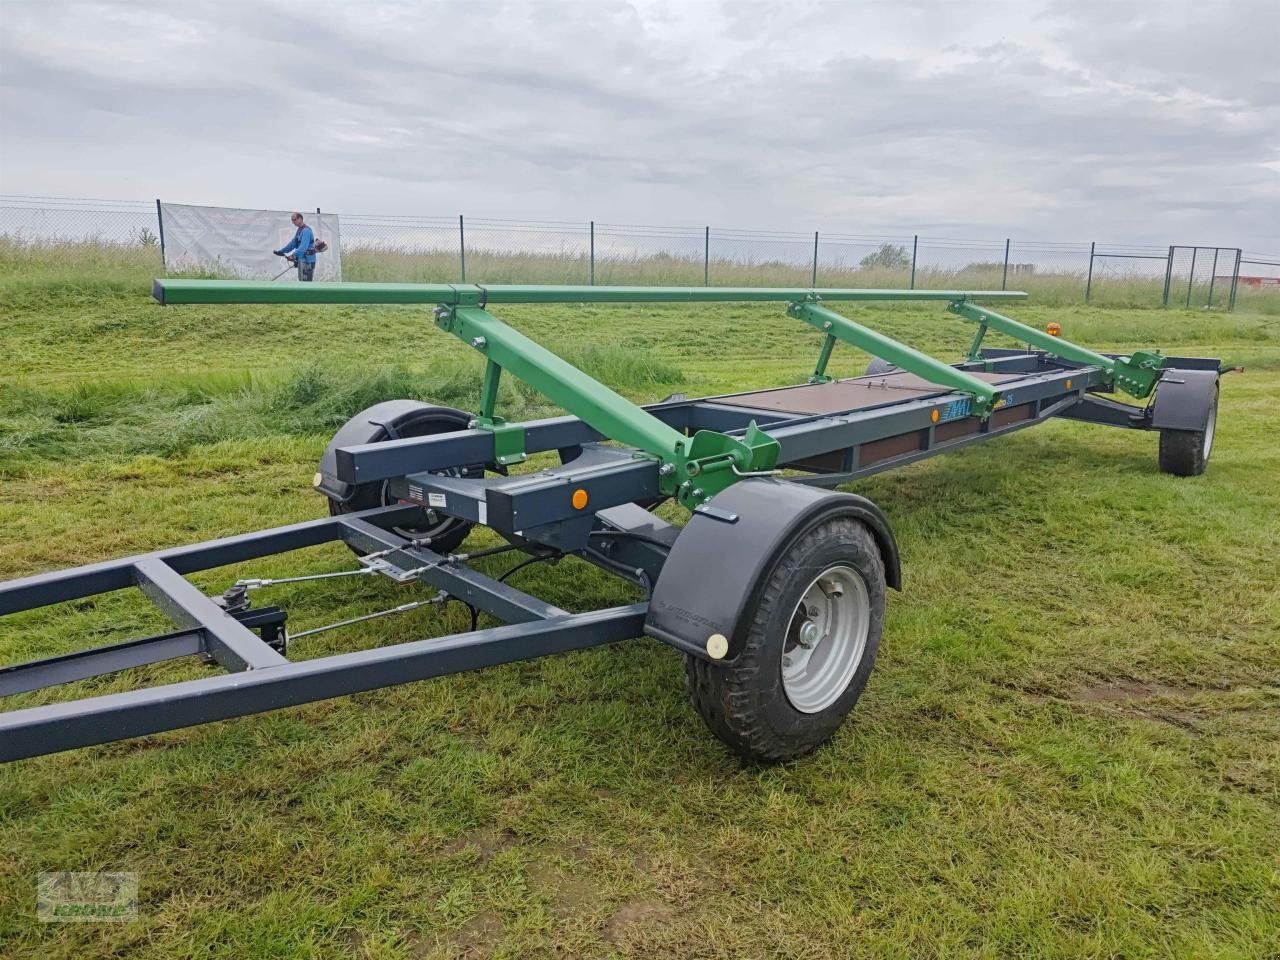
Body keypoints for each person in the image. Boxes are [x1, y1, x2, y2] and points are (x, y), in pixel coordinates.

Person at [273, 212, 317, 281]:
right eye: (292, 220)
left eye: (294, 220)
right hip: (302, 260)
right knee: (302, 281)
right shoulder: (300, 230)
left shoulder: (306, 231)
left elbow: (303, 247)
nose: (293, 222)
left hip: (308, 261)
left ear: (300, 219)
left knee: (306, 283)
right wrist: (281, 251)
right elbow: (293, 243)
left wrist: (293, 256)